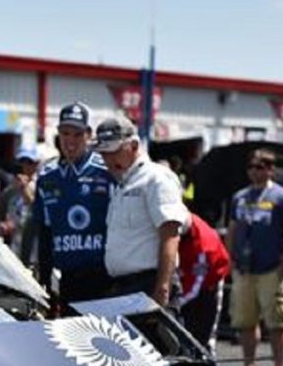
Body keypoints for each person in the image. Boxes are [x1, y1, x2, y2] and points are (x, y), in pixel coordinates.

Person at [95, 115, 189, 308]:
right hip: (122, 287)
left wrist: (162, 288)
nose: (108, 159)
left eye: (114, 151)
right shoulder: (122, 184)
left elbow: (170, 235)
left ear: (134, 146)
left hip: (149, 284)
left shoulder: (156, 178)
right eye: (103, 153)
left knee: (157, 339)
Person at [226, 148, 283, 366]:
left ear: (271, 169)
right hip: (244, 269)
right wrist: (230, 260)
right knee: (245, 321)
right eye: (251, 167)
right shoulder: (239, 196)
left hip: (271, 268)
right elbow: (232, 229)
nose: (254, 171)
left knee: (277, 322)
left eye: (260, 167)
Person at [31, 102, 112, 303]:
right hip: (67, 277)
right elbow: (44, 232)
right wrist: (44, 278)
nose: (71, 141)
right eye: (66, 134)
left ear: (88, 135)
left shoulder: (107, 171)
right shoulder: (47, 177)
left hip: (104, 277)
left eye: (77, 134)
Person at [178, 212, 230, 353]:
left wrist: (174, 304)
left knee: (203, 331)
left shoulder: (203, 245)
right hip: (184, 270)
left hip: (208, 281)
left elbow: (195, 288)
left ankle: (206, 355)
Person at [0, 145, 39, 261]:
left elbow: (39, 211)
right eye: (22, 162)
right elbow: (0, 214)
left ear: (36, 164)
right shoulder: (9, 191)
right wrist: (4, 225)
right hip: (14, 247)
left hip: (34, 248)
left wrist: (25, 189)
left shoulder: (41, 186)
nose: (25, 166)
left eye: (29, 162)